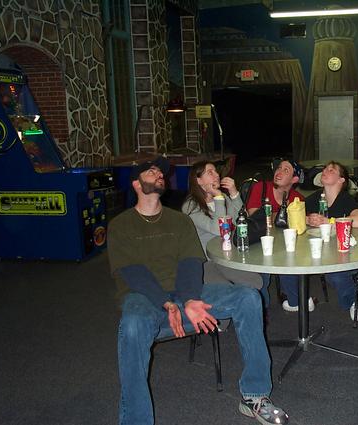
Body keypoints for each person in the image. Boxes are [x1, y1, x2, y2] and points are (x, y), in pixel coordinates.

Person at [108, 156, 289, 425]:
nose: (159, 174)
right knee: (132, 326)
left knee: (248, 298)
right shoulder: (121, 224)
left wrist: (190, 299)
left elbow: (191, 262)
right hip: (144, 298)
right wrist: (167, 303)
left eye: (161, 172)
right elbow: (132, 272)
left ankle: (255, 396)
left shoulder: (179, 221)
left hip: (185, 292)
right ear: (136, 183)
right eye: (151, 172)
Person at [181, 160, 264, 298]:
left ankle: (253, 305)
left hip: (228, 255)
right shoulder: (190, 206)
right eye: (210, 172)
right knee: (225, 292)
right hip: (207, 260)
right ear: (198, 180)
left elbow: (242, 221)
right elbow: (217, 229)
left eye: (216, 171)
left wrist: (234, 193)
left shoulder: (223, 197)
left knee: (256, 281)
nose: (217, 175)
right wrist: (218, 198)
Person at [245, 159, 311, 312]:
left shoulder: (297, 199)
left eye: (286, 170)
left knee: (290, 259)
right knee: (262, 272)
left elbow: (300, 226)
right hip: (259, 241)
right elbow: (254, 214)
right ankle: (261, 309)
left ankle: (295, 301)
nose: (279, 172)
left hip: (283, 243)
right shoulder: (261, 188)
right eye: (279, 168)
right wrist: (286, 214)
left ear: (294, 179)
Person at [304, 161, 358, 320]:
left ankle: (354, 294)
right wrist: (308, 219)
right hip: (322, 249)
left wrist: (328, 221)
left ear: (341, 180)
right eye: (325, 169)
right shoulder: (316, 197)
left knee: (335, 275)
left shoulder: (345, 199)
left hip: (345, 250)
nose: (325, 171)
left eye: (331, 170)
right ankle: (297, 300)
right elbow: (295, 215)